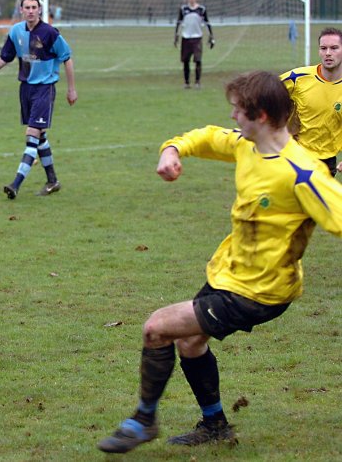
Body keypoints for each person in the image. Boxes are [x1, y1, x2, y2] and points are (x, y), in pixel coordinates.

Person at [97, 70, 342, 454]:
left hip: (260, 291)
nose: (232, 117)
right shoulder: (248, 146)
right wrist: (172, 150)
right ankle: (215, 425)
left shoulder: (302, 172)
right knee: (191, 343)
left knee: (156, 328)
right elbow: (208, 136)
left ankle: (143, 421)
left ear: (259, 115)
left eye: (237, 111)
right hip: (229, 275)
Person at [0, 0, 77, 199]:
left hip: (44, 88)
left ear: (40, 10)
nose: (31, 11)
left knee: (32, 135)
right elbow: (6, 56)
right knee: (40, 136)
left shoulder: (50, 33)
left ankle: (15, 184)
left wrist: (71, 89)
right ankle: (53, 181)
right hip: (26, 88)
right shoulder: (16, 31)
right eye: (27, 7)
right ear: (21, 10)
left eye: (34, 7)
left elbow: (67, 57)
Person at [280, 27, 342, 176]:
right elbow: (266, 91)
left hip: (327, 161)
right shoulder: (298, 78)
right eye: (323, 48)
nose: (328, 53)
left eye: (334, 48)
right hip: (295, 154)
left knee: (322, 199)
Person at [174, 0, 214, 89]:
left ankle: (197, 82)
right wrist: (176, 36)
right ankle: (187, 82)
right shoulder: (183, 9)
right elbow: (179, 23)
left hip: (197, 38)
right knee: (186, 61)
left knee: (198, 60)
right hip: (186, 38)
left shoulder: (202, 9)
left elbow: (207, 23)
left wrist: (211, 37)